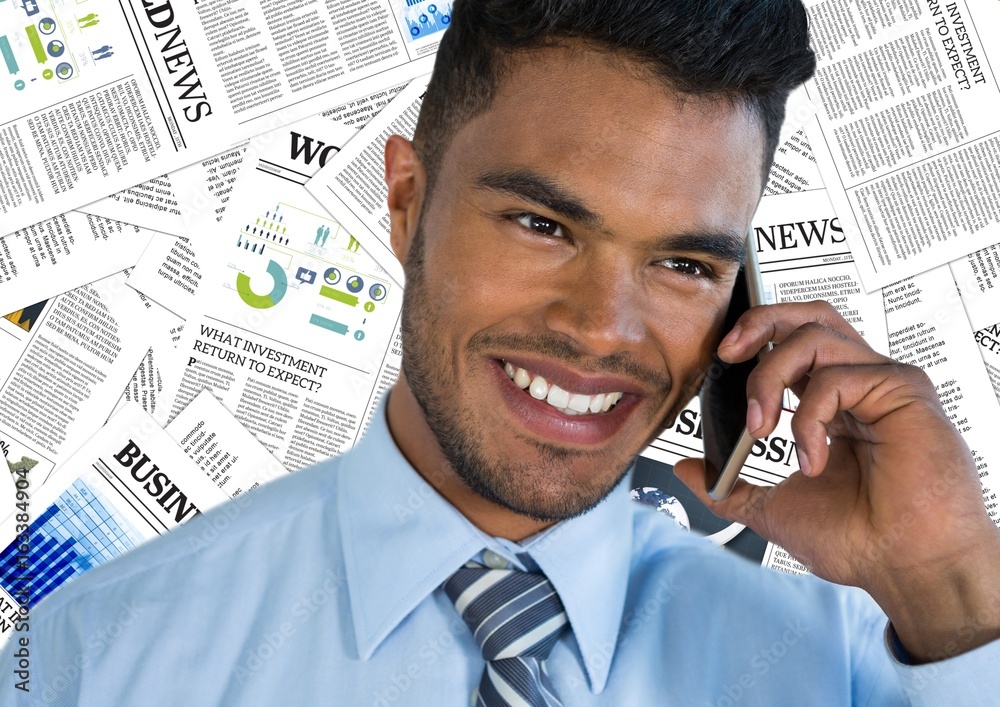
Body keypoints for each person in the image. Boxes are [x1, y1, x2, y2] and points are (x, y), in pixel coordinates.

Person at [4, 0, 1000, 704]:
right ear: (404, 202)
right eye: (541, 223)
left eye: (684, 263)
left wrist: (955, 587)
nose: (604, 327)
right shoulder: (91, 659)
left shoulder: (864, 674)